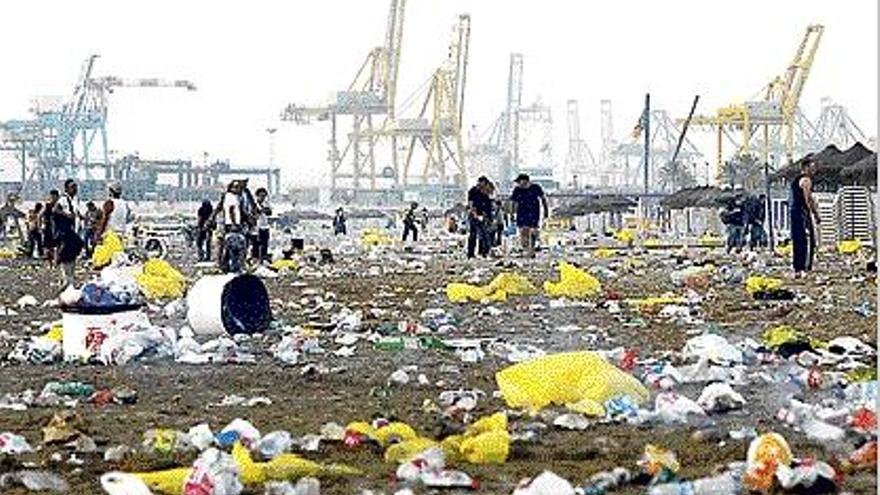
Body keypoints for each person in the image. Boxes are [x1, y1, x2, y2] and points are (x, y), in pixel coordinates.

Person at [790, 156, 821, 277]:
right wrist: (815, 214)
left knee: (798, 239)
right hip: (802, 212)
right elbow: (808, 198)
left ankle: (798, 266)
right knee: (807, 239)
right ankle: (804, 266)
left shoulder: (796, 180)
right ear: (806, 167)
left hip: (795, 212)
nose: (814, 169)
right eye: (812, 167)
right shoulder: (806, 180)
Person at [54, 179, 85, 287]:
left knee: (72, 253)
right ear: (67, 188)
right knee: (72, 249)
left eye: (75, 186)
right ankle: (66, 279)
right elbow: (55, 210)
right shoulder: (63, 199)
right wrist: (65, 214)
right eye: (72, 187)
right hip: (66, 230)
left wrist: (82, 217)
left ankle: (69, 279)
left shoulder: (75, 200)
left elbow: (76, 212)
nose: (75, 189)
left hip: (74, 229)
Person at [510, 173, 549, 257]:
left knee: (533, 231)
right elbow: (513, 202)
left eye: (519, 182)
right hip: (521, 212)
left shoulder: (536, 188)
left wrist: (546, 211)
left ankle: (532, 248)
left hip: (534, 212)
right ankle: (526, 249)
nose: (518, 184)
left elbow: (543, 199)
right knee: (523, 231)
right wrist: (512, 213)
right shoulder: (517, 190)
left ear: (525, 181)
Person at [221, 180, 247, 272]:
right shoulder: (231, 197)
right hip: (232, 224)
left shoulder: (232, 196)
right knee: (235, 247)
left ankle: (227, 266)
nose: (237, 189)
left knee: (230, 247)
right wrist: (234, 224)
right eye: (235, 187)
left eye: (238, 187)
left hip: (231, 224)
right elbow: (231, 210)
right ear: (231, 188)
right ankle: (234, 267)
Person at [466, 176, 494, 258]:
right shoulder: (473, 191)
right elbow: (471, 204)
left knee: (485, 234)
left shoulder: (487, 191)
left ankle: (484, 252)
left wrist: (489, 218)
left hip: (484, 214)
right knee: (473, 235)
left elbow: (489, 203)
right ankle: (471, 254)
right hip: (474, 215)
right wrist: (475, 215)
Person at [252, 187, 272, 262]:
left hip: (265, 226)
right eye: (261, 196)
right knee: (256, 245)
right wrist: (260, 210)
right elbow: (254, 212)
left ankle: (263, 258)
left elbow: (269, 212)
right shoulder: (254, 204)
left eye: (264, 196)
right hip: (256, 228)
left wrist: (262, 209)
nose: (263, 197)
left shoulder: (266, 203)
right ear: (257, 195)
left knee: (265, 244)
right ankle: (255, 259)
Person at [42, 190, 59, 262]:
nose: (53, 198)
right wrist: (40, 226)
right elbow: (40, 215)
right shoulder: (47, 205)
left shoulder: (59, 205)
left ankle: (55, 261)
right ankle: (50, 262)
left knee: (56, 246)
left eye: (54, 196)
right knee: (48, 246)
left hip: (56, 228)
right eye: (52, 196)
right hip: (48, 227)